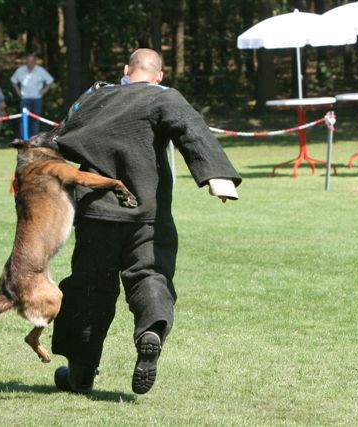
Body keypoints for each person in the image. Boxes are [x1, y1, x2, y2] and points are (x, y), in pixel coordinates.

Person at [50, 48, 242, 395]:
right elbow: (190, 129)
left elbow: (64, 136)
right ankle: (150, 330)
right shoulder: (163, 97)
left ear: (126, 70)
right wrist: (217, 177)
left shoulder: (96, 96)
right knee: (150, 274)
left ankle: (80, 374)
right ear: (160, 75)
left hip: (97, 211)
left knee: (90, 289)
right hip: (147, 214)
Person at [10, 52, 54, 137]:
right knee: (24, 120)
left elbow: (50, 80)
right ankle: (24, 140)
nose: (30, 63)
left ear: (35, 61)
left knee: (35, 120)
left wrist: (44, 91)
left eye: (32, 61)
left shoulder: (40, 70)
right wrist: (18, 92)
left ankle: (33, 139)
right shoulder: (21, 70)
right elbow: (13, 81)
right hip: (25, 98)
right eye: (28, 61)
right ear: (26, 61)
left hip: (37, 99)